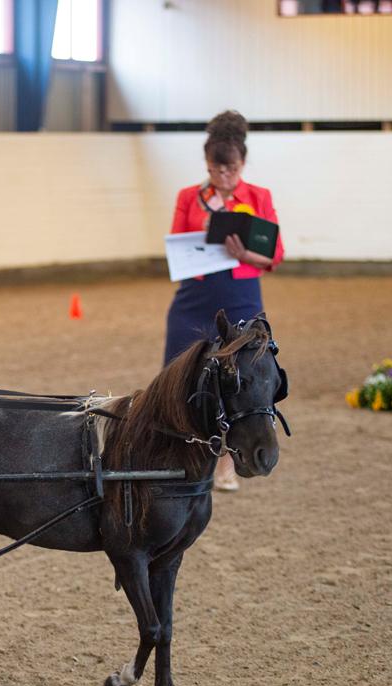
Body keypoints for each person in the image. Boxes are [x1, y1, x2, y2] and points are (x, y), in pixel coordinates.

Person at [165, 110, 284, 492]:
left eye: (231, 170)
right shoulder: (189, 198)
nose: (225, 178)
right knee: (180, 371)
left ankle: (226, 466)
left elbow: (275, 255)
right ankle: (181, 456)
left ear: (242, 164)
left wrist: (245, 254)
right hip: (196, 294)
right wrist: (200, 236)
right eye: (218, 171)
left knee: (239, 381)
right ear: (208, 165)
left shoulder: (259, 197)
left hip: (241, 295)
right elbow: (175, 248)